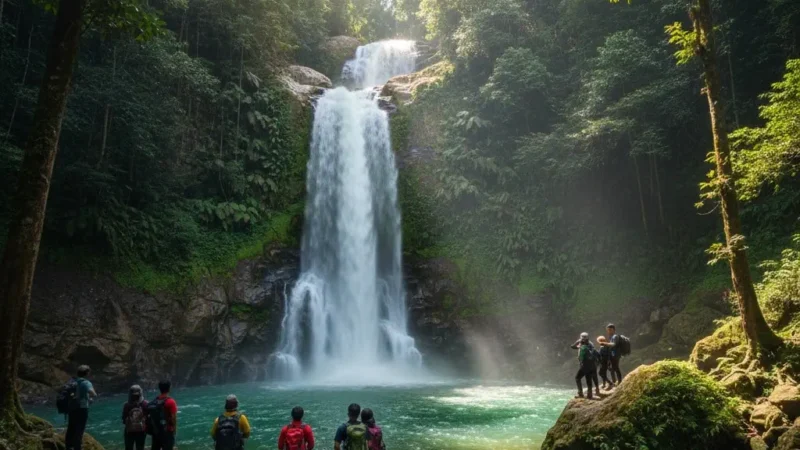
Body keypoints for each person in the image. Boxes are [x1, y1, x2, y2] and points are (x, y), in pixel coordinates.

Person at [65, 365, 97, 450]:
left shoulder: (72, 381)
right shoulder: (86, 382)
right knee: (79, 430)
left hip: (72, 408)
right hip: (82, 409)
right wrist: (90, 397)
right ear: (87, 373)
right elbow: (93, 393)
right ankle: (77, 448)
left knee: (71, 428)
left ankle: (68, 447)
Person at [148, 380, 178, 450]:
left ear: (160, 388)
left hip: (156, 431)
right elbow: (173, 418)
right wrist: (174, 430)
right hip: (167, 432)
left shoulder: (154, 401)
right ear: (169, 388)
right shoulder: (171, 402)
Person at [570, 332, 597, 399]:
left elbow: (572, 346)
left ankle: (580, 393)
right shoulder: (591, 344)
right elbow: (593, 353)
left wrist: (577, 345)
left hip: (584, 364)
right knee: (588, 379)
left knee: (577, 378)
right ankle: (589, 394)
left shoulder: (580, 341)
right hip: (591, 365)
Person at [122, 385, 148, 450]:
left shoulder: (126, 405)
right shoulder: (145, 403)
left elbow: (124, 420)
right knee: (140, 448)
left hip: (129, 431)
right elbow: (148, 418)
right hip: (141, 431)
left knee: (128, 448)